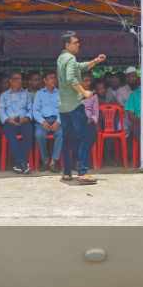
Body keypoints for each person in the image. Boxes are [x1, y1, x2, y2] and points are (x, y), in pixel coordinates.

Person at [56, 32, 107, 183]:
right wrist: (84, 92)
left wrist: (96, 61)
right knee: (88, 135)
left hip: (64, 107)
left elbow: (79, 67)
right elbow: (71, 78)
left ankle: (66, 172)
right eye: (75, 42)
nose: (78, 44)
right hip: (74, 105)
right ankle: (83, 172)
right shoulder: (70, 58)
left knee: (68, 139)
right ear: (67, 45)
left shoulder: (62, 58)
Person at [0, 71, 35, 174]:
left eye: (20, 79)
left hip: (24, 121)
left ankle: (19, 164)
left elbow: (30, 109)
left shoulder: (27, 94)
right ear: (10, 81)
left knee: (29, 135)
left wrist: (26, 118)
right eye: (16, 79)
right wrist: (9, 119)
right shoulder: (4, 95)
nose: (19, 81)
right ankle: (22, 162)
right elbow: (1, 110)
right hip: (10, 121)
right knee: (12, 138)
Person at [31, 70, 63, 170]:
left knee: (61, 134)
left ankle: (54, 161)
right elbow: (35, 110)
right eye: (51, 78)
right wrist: (42, 121)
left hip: (56, 119)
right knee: (39, 134)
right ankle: (45, 160)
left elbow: (63, 109)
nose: (53, 80)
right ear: (45, 80)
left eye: (54, 78)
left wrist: (58, 121)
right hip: (43, 120)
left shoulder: (60, 93)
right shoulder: (39, 94)